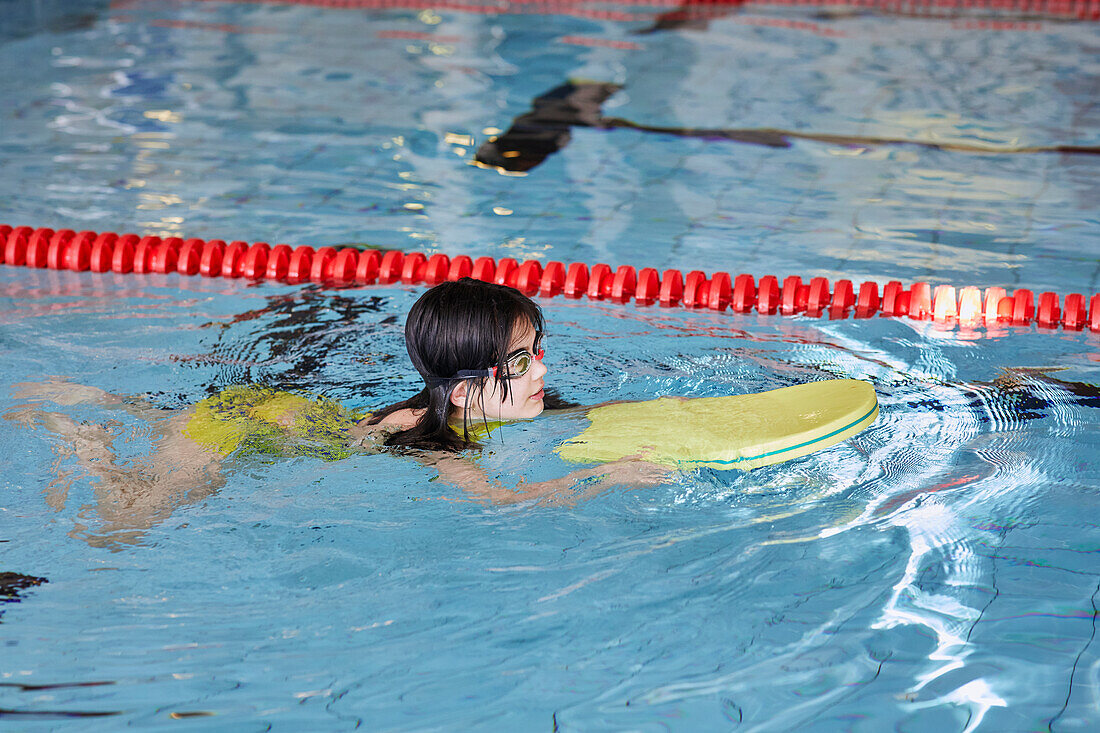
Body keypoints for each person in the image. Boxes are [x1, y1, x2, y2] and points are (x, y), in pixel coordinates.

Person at [6, 278, 669, 544]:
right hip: (233, 429)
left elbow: (586, 408)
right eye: (523, 362)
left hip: (275, 413)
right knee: (123, 525)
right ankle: (85, 437)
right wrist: (605, 479)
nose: (543, 370)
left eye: (537, 351)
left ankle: (104, 406)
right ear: (464, 391)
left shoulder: (470, 401)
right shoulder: (435, 440)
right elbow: (501, 501)